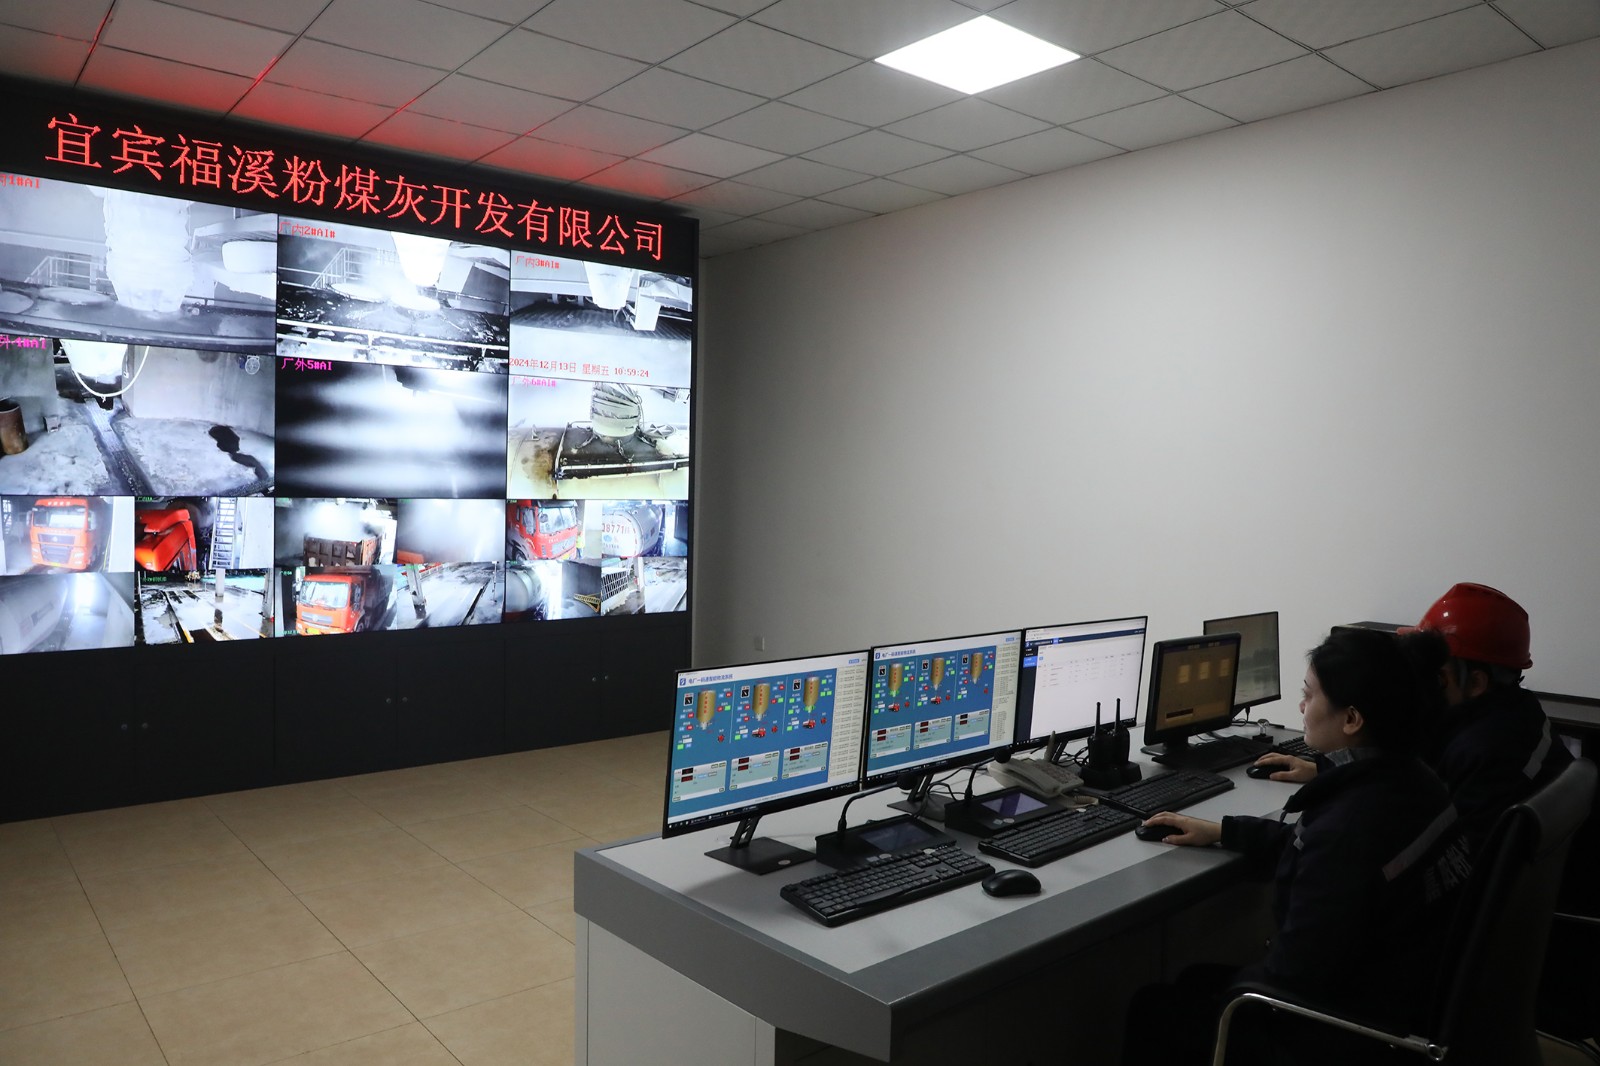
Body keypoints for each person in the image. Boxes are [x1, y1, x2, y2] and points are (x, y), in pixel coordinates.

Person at [1120, 628, 1470, 1066]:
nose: (1302, 708)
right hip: (1404, 998)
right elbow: (1318, 850)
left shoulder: (1352, 828)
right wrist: (1224, 831)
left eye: (1309, 695)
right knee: (1194, 979)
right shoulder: (1416, 781)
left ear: (1352, 719)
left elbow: (1292, 976)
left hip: (1345, 1031)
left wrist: (1241, 989)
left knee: (1154, 1008)